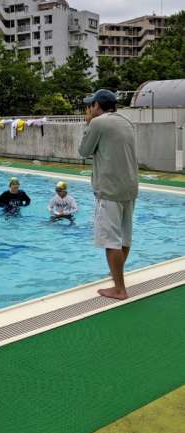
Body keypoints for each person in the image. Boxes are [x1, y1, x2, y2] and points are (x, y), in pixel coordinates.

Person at [79, 89, 138, 301]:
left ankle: (119, 289)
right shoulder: (126, 121)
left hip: (110, 190)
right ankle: (117, 277)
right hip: (129, 188)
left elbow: (84, 151)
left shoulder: (98, 123)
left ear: (97, 106)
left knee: (111, 241)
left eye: (91, 105)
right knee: (124, 237)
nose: (89, 109)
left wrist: (88, 124)